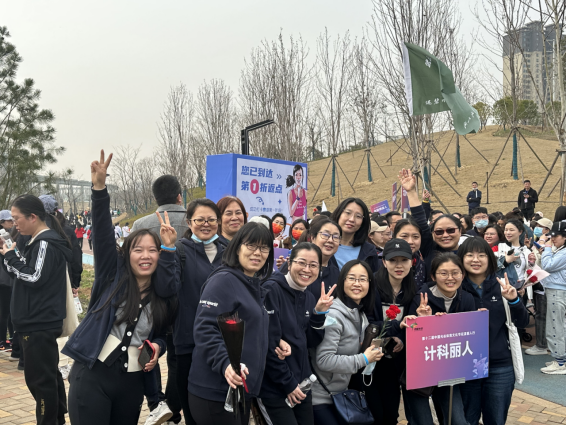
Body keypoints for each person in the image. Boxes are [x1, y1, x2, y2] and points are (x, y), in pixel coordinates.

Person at [63, 151, 178, 425]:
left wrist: (158, 347)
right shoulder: (111, 276)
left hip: (131, 385)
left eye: (153, 250)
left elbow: (163, 336)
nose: (145, 256)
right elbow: (103, 234)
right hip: (93, 376)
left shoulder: (163, 295)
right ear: (127, 254)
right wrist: (99, 189)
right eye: (138, 249)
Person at [187, 222, 274, 425]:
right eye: (251, 245)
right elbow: (205, 328)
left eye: (264, 248)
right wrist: (225, 363)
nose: (257, 253)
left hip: (239, 391)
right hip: (215, 392)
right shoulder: (224, 281)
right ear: (237, 247)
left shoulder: (252, 284)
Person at [0, 195, 73, 425]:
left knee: (40, 381)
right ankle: (57, 418)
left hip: (38, 322)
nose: (14, 223)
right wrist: (9, 256)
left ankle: (49, 420)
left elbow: (34, 277)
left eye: (17, 218)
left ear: (33, 217)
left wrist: (11, 257)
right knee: (48, 376)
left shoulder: (44, 243)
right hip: (38, 321)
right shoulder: (37, 241)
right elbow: (27, 273)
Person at [153, 197, 226, 424]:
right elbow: (166, 289)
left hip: (224, 341)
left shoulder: (228, 251)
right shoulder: (180, 250)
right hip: (188, 343)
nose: (206, 224)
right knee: (193, 410)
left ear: (218, 222)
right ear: (189, 222)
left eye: (211, 219)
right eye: (199, 220)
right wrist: (167, 248)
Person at [259, 242, 335, 425]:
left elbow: (310, 342)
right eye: (301, 262)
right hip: (274, 387)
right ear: (289, 263)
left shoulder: (309, 296)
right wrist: (288, 384)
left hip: (301, 384)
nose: (307, 270)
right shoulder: (271, 290)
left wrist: (318, 314)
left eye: (313, 265)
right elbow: (268, 346)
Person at [458, 238, 529, 424]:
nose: (476, 260)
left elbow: (523, 321)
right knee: (466, 419)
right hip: (464, 365)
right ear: (461, 259)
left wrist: (514, 300)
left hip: (499, 365)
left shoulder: (503, 285)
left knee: (496, 420)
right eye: (470, 255)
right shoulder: (454, 288)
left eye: (481, 255)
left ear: (490, 259)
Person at [404, 253, 476, 425]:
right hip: (420, 372)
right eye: (443, 273)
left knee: (458, 421)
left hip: (448, 371)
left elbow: (470, 338)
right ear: (433, 276)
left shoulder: (467, 299)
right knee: (424, 421)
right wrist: (423, 322)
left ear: (462, 275)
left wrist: (477, 321)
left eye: (455, 273)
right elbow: (409, 335)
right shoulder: (421, 299)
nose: (450, 278)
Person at [311, 259, 384, 425]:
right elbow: (324, 360)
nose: (357, 284)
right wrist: (364, 359)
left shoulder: (360, 315)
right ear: (342, 281)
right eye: (351, 278)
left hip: (341, 394)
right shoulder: (333, 315)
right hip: (320, 397)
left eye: (362, 279)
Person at [363, 239, 416, 425]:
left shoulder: (413, 288)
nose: (398, 266)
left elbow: (412, 325)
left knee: (391, 413)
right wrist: (396, 327)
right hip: (372, 359)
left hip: (396, 361)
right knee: (376, 413)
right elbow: (366, 322)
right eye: (393, 260)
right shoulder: (371, 286)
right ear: (384, 262)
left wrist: (401, 339)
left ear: (412, 262)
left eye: (404, 260)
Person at [279, 217, 342, 297]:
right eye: (325, 235)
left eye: (336, 237)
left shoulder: (336, 273)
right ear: (312, 237)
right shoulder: (295, 264)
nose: (330, 240)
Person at [397, 169, 435, 290]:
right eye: (404, 236)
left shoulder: (423, 261)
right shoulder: (382, 262)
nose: (410, 241)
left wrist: (412, 192)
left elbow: (421, 222)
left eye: (415, 237)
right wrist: (411, 192)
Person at [539, 221, 566, 375]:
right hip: (557, 290)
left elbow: (548, 265)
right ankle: (561, 359)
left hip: (558, 291)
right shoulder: (561, 250)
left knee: (555, 326)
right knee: (559, 325)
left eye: (556, 236)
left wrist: (547, 248)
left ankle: (560, 362)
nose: (552, 239)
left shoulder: (563, 252)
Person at [330, 198, 380, 272]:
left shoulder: (369, 251)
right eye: (348, 213)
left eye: (358, 216)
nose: (352, 219)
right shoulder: (324, 244)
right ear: (339, 213)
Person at [495, 220, 531, 288]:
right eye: (506, 230)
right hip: (503, 287)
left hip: (521, 288)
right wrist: (505, 261)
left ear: (520, 232)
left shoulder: (526, 251)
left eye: (511, 230)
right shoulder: (498, 247)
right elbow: (491, 267)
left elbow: (529, 273)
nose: (508, 232)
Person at [0, 211, 15, 352]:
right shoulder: (4, 236)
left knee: (7, 310)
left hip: (6, 277)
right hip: (4, 279)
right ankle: (2, 341)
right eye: (8, 220)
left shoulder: (9, 234)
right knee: (5, 311)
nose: (11, 222)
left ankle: (9, 338)